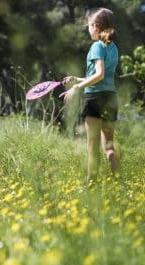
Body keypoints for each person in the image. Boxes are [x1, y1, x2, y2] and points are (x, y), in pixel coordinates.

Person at [60, 7, 120, 184]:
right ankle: (119, 183)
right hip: (110, 97)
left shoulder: (96, 46)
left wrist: (77, 87)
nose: (88, 29)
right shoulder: (113, 47)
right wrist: (76, 78)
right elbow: (100, 76)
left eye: (88, 26)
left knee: (92, 146)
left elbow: (99, 74)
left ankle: (91, 185)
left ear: (95, 26)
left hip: (95, 98)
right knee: (108, 147)